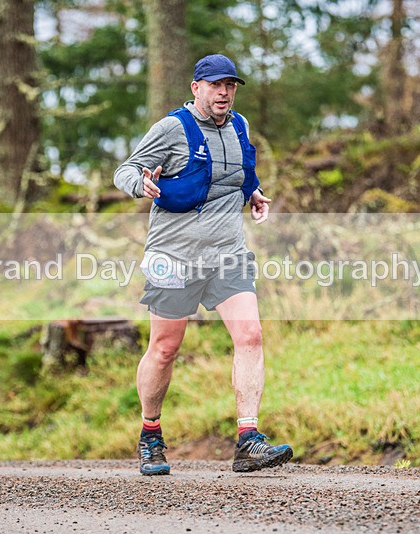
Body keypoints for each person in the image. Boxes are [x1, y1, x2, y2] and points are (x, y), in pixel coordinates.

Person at [114, 54, 292, 475]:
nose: (224, 93)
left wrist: (255, 193)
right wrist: (141, 183)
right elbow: (125, 169)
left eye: (230, 85)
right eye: (216, 85)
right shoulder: (172, 128)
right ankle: (150, 433)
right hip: (173, 257)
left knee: (250, 334)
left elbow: (238, 174)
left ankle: (248, 439)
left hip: (227, 254)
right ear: (196, 88)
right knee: (165, 348)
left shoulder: (240, 125)